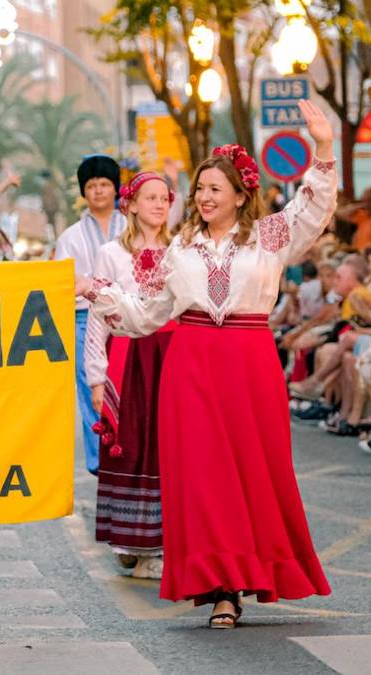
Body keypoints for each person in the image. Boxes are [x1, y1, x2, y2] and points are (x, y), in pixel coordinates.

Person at [81, 99, 336, 629]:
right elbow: (145, 314)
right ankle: (222, 587)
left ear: (242, 195)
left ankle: (249, 574)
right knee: (203, 480)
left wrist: (324, 144)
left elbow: (313, 209)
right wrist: (96, 291)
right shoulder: (179, 249)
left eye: (214, 188)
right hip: (191, 368)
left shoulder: (269, 236)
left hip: (250, 365)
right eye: (199, 188)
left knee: (254, 474)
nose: (203, 196)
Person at [83, 171, 175, 580]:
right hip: (128, 355)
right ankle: (129, 542)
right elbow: (100, 316)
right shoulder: (111, 254)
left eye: (165, 198)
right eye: (150, 197)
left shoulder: (181, 250)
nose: (158, 204)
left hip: (172, 354)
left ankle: (160, 542)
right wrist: (96, 377)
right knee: (131, 443)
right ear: (131, 204)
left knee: (168, 447)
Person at [55, 154, 128, 474]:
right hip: (84, 318)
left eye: (104, 184)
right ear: (83, 192)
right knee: (89, 390)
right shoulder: (69, 237)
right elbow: (60, 281)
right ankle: (100, 460)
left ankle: (130, 449)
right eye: (91, 185)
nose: (98, 191)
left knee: (128, 385)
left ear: (116, 189)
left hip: (129, 316)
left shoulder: (131, 226)